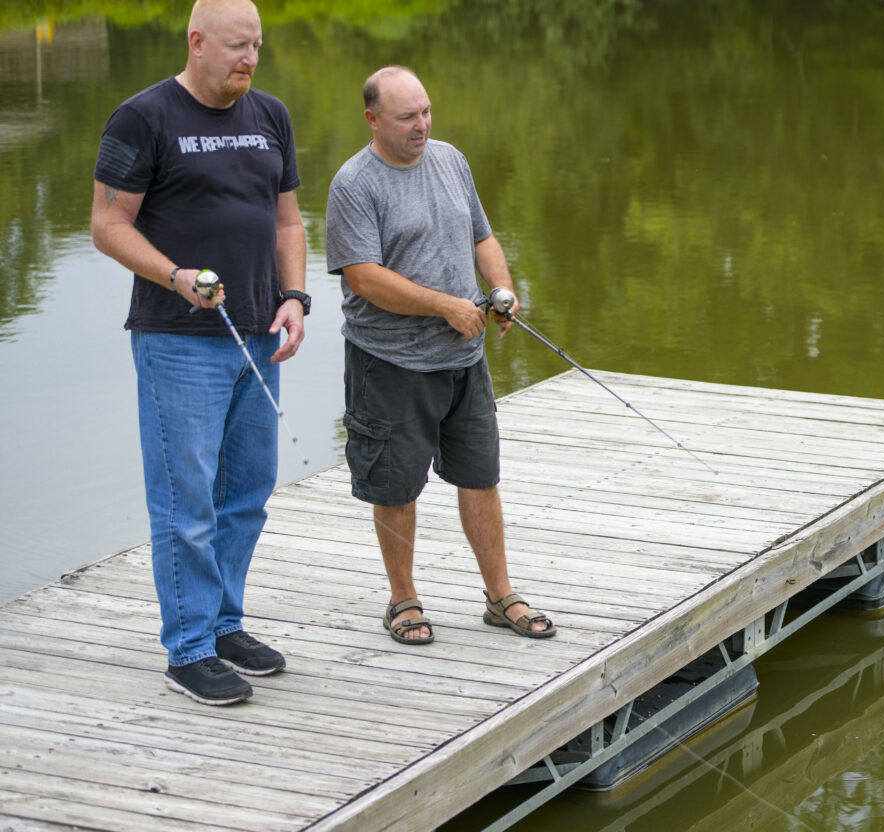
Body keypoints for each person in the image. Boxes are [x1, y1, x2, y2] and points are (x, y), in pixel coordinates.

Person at [91, 0, 308, 705]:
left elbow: (288, 222)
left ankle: (222, 625)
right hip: (177, 341)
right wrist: (176, 276)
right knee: (187, 503)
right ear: (197, 42)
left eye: (257, 46)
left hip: (258, 336)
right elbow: (107, 225)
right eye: (238, 46)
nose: (249, 59)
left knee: (246, 493)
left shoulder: (270, 115)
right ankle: (186, 649)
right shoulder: (143, 117)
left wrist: (295, 299)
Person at [325, 65, 555, 645]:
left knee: (481, 477)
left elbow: (483, 237)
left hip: (463, 360)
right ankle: (403, 601)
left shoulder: (451, 160)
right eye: (407, 117)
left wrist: (500, 291)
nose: (421, 125)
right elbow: (364, 278)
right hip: (390, 363)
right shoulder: (354, 184)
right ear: (374, 120)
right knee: (395, 487)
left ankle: (501, 597)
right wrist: (446, 306)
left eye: (426, 112)